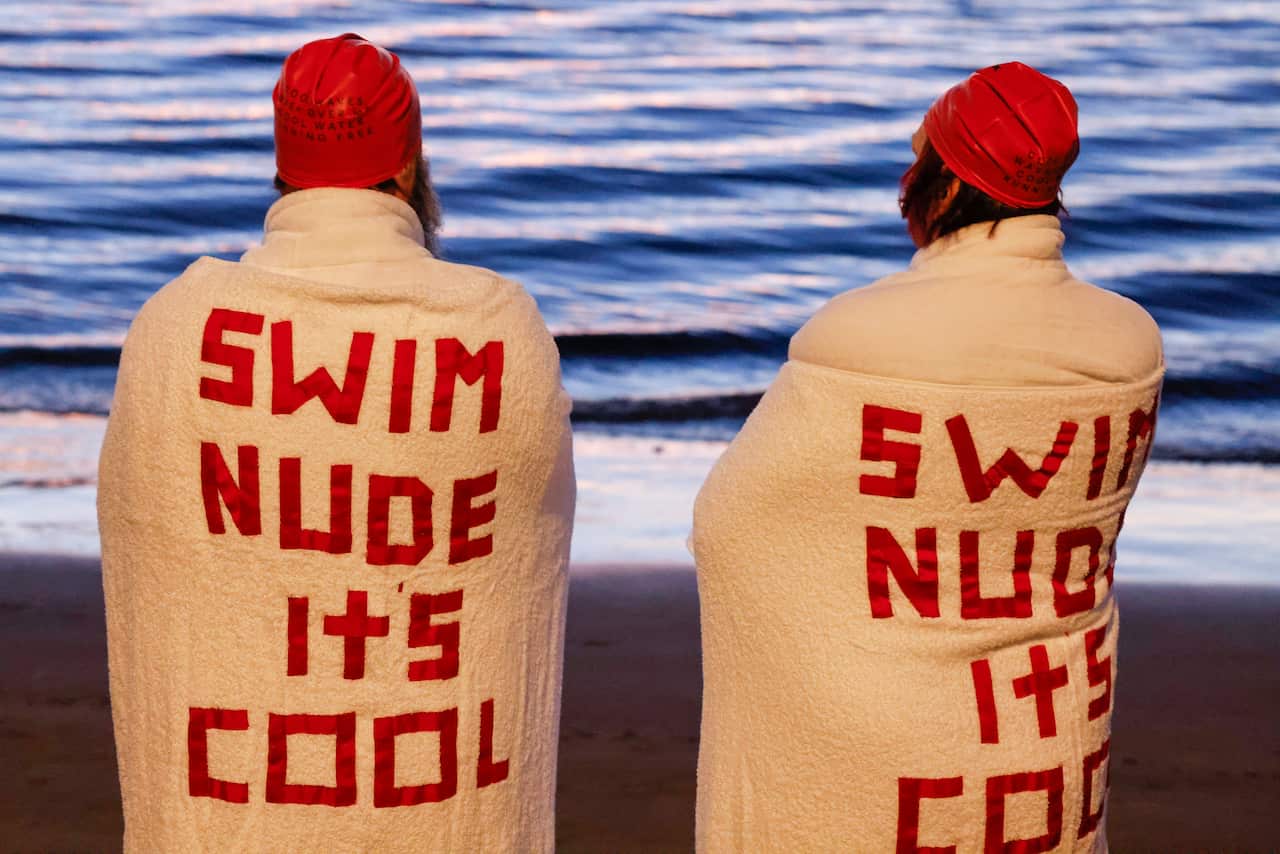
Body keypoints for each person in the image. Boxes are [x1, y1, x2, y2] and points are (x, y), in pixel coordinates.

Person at [98, 34, 575, 853]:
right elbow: (516, 553)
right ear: (406, 173)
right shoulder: (498, 332)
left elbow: (155, 545)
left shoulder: (179, 327)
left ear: (285, 170)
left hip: (238, 804)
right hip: (441, 797)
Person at [691, 62, 1163, 851]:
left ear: (944, 189)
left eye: (919, 160)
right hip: (1047, 738)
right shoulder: (1129, 343)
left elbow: (731, 526)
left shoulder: (864, 336)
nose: (905, 181)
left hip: (892, 745)